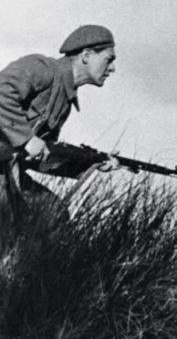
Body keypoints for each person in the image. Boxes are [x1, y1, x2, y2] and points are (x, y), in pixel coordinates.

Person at [0, 25, 118, 240]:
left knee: (52, 214)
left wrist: (90, 163)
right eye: (108, 59)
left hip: (5, 169)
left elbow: (39, 157)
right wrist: (27, 139)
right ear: (86, 55)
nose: (112, 69)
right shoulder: (42, 68)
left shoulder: (64, 100)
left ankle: (31, 273)